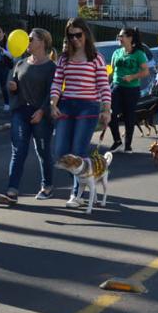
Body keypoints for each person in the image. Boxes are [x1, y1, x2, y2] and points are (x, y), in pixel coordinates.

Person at [50, 18, 111, 207]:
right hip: (67, 105)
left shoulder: (96, 57)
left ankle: (76, 194)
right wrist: (53, 103)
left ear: (86, 34)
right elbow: (57, 83)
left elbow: (103, 85)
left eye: (78, 34)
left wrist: (107, 109)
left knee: (78, 151)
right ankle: (84, 179)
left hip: (88, 106)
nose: (75, 39)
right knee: (60, 152)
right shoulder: (64, 58)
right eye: (71, 35)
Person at [0, 28, 57, 203]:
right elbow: (14, 86)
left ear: (43, 42)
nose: (27, 41)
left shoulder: (51, 67)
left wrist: (42, 111)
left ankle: (47, 186)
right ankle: (12, 191)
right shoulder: (20, 63)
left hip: (41, 114)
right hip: (21, 112)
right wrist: (12, 87)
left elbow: (52, 93)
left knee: (43, 151)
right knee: (18, 151)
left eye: (31, 38)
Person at [108, 27, 150, 153]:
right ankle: (117, 141)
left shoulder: (139, 54)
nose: (119, 38)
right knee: (110, 113)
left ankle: (128, 145)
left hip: (131, 89)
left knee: (128, 115)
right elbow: (112, 71)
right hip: (116, 86)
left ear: (130, 38)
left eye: (122, 36)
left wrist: (132, 77)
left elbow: (146, 72)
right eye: (119, 36)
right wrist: (106, 84)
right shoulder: (116, 52)